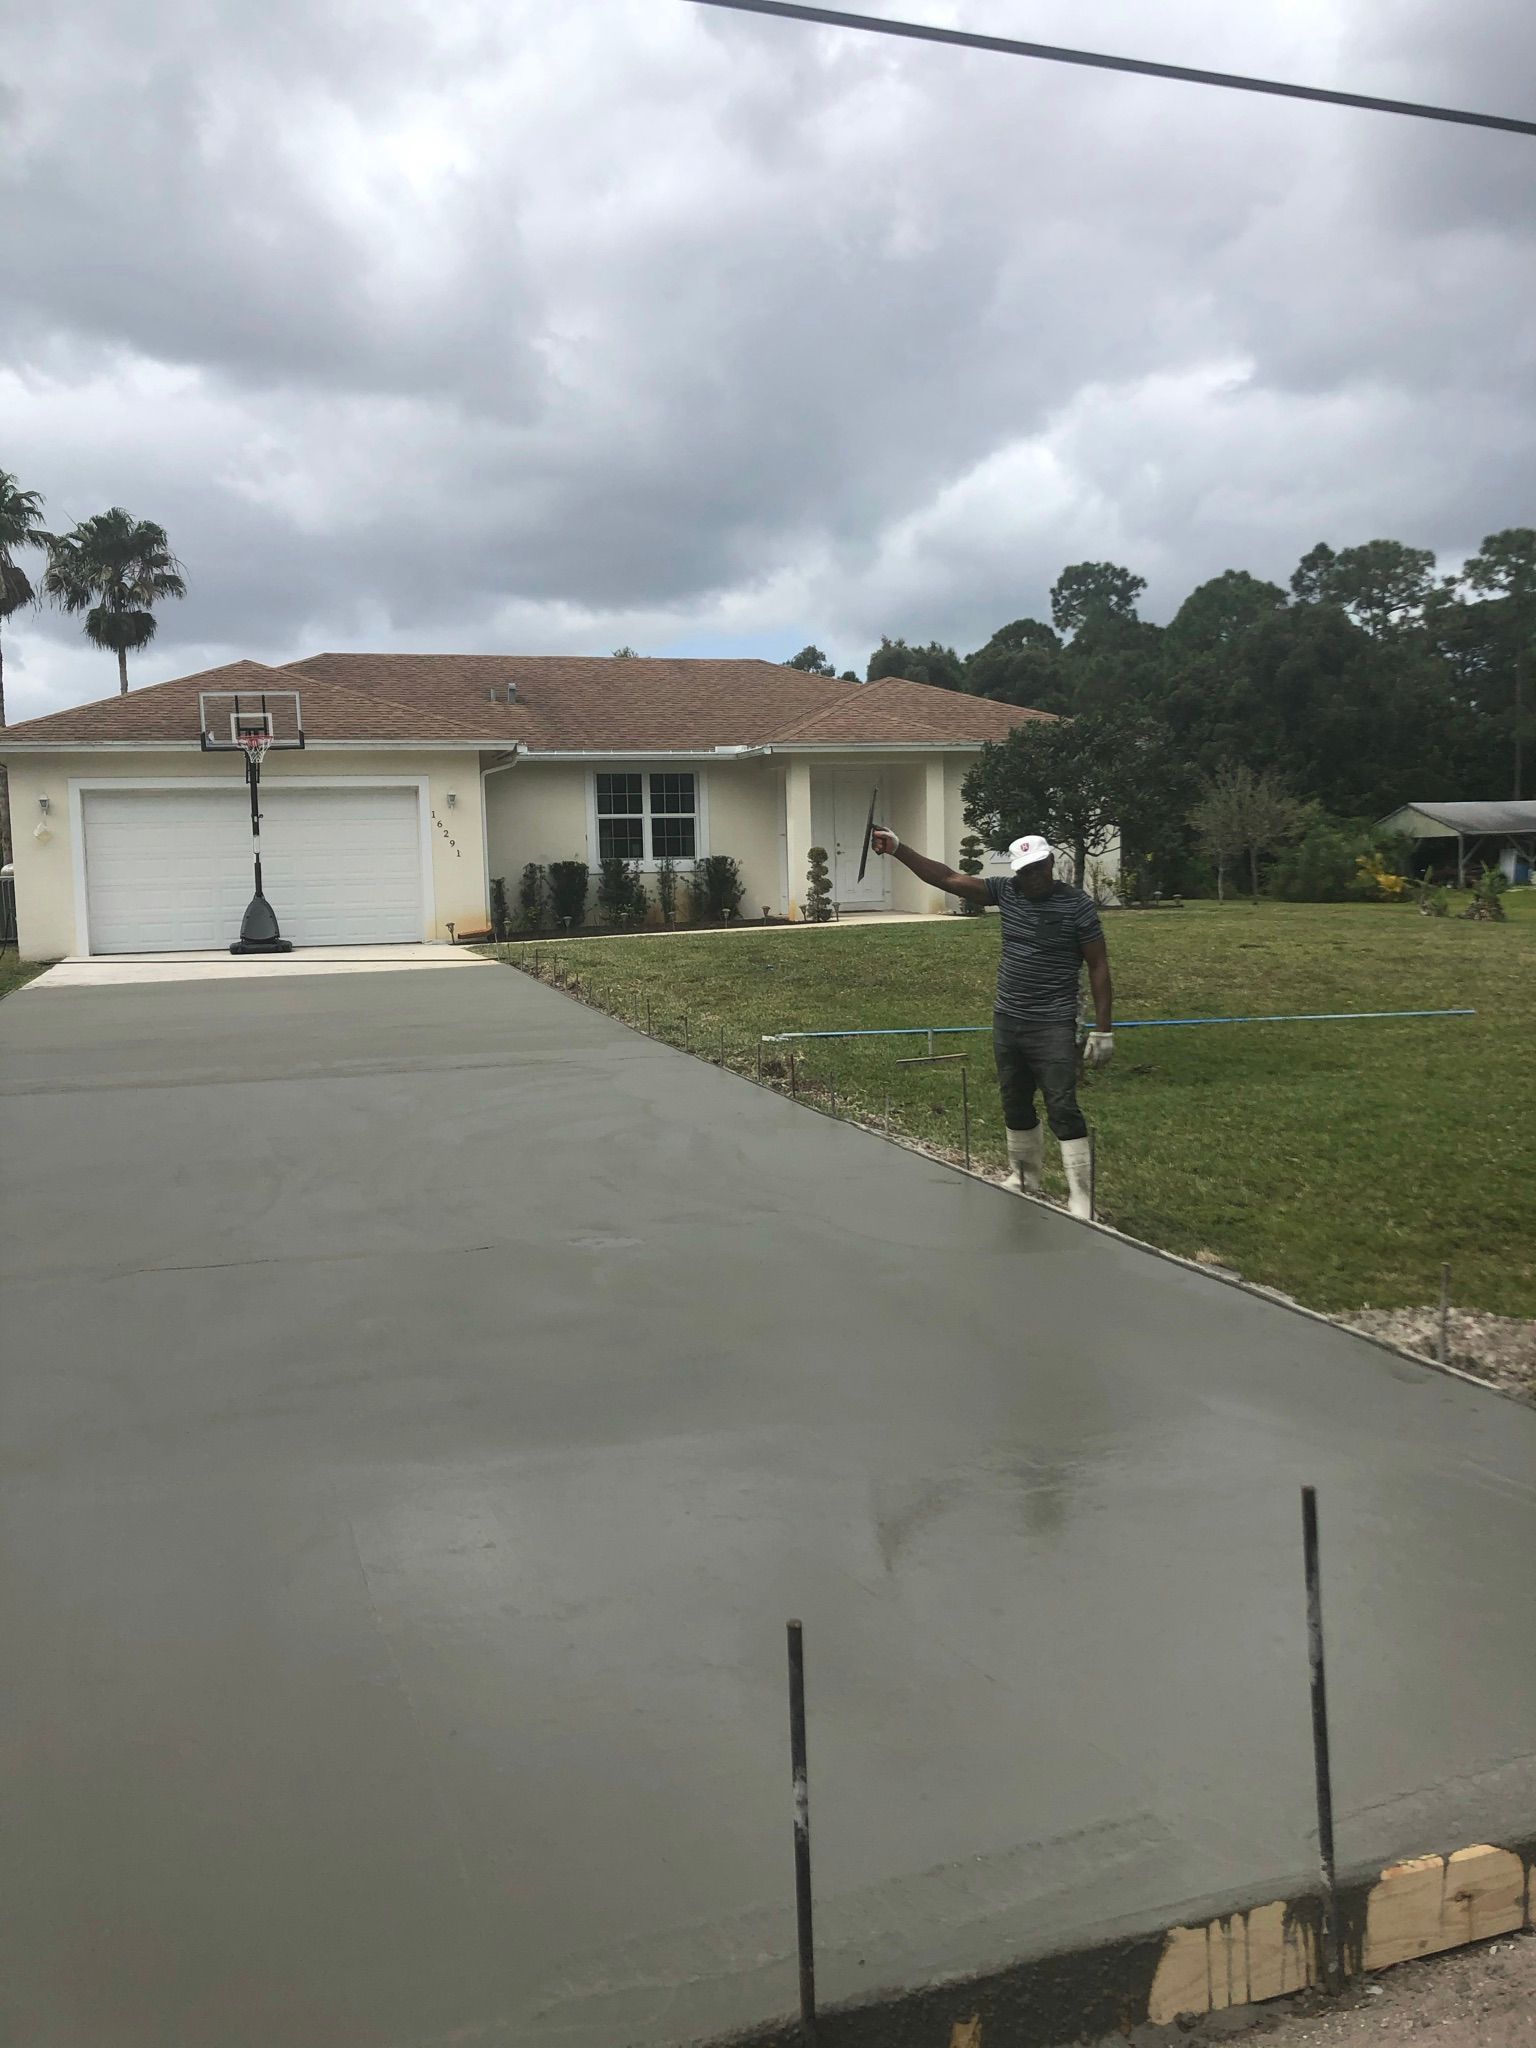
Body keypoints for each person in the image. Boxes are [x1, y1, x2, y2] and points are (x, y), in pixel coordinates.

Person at [868, 828, 1113, 1218]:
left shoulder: (1076, 905)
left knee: (1062, 1106)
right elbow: (946, 878)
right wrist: (899, 849)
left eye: (1036, 869)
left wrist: (1103, 1029)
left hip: (1053, 1022)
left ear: (1050, 863)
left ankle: (1081, 1196)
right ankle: (1024, 1177)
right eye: (1023, 872)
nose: (1030, 878)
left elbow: (1098, 965)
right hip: (1008, 1018)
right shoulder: (1007, 892)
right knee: (1014, 1102)